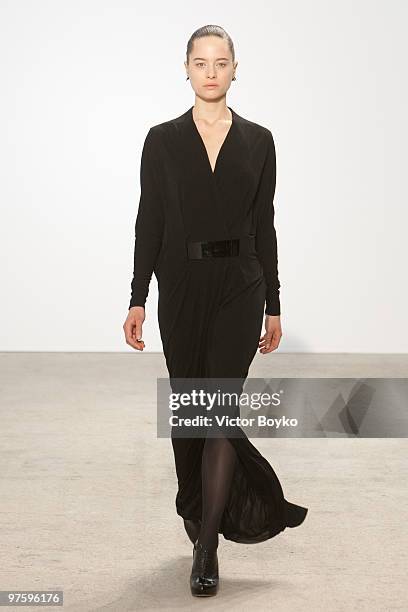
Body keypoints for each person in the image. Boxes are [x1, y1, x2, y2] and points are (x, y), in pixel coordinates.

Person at [123, 24, 308, 598]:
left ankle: (206, 548)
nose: (210, 72)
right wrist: (137, 295)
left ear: (234, 69)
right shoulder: (161, 139)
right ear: (186, 69)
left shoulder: (259, 141)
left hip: (239, 287)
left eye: (220, 62)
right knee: (191, 411)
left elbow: (265, 226)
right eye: (200, 62)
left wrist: (274, 303)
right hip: (179, 286)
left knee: (219, 406)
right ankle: (196, 505)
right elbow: (149, 220)